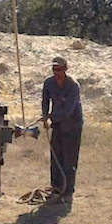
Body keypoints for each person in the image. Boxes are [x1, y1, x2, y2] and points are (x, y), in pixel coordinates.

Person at [41, 55, 83, 203]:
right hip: (58, 124)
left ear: (65, 69)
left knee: (69, 159)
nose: (56, 72)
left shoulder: (73, 86)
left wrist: (51, 116)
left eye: (59, 69)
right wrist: (45, 116)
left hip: (72, 125)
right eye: (54, 69)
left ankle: (68, 191)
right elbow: (45, 101)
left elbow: (68, 111)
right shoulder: (48, 83)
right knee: (56, 157)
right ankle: (56, 188)